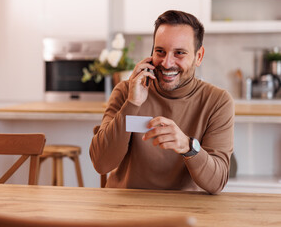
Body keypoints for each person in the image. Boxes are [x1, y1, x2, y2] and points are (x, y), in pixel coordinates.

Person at [89, 10, 234, 194]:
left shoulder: (217, 101)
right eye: (160, 51)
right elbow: (101, 164)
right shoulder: (126, 91)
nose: (166, 63)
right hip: (126, 209)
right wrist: (132, 103)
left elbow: (217, 182)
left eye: (179, 53)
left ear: (198, 56)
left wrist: (188, 146)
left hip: (185, 213)